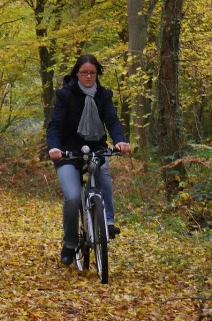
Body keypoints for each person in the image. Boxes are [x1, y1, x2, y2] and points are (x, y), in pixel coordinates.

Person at [46, 53, 132, 265]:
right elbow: (55, 125)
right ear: (77, 73)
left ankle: (108, 222)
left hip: (95, 149)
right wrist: (54, 147)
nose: (88, 77)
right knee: (73, 197)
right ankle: (70, 243)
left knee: (103, 176)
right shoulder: (65, 95)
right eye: (84, 73)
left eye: (92, 73)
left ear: (97, 74)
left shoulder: (103, 95)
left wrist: (120, 141)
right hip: (68, 152)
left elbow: (112, 121)